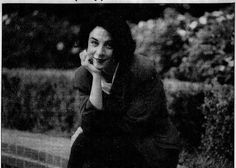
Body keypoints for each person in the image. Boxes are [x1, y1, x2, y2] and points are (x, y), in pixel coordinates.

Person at [67, 10, 180, 168]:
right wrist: (96, 76)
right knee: (84, 143)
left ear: (119, 46)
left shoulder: (141, 70)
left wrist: (87, 129)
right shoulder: (84, 74)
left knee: (88, 142)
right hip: (117, 143)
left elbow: (134, 124)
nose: (99, 53)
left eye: (108, 45)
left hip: (152, 147)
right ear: (86, 43)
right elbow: (89, 124)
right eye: (94, 43)